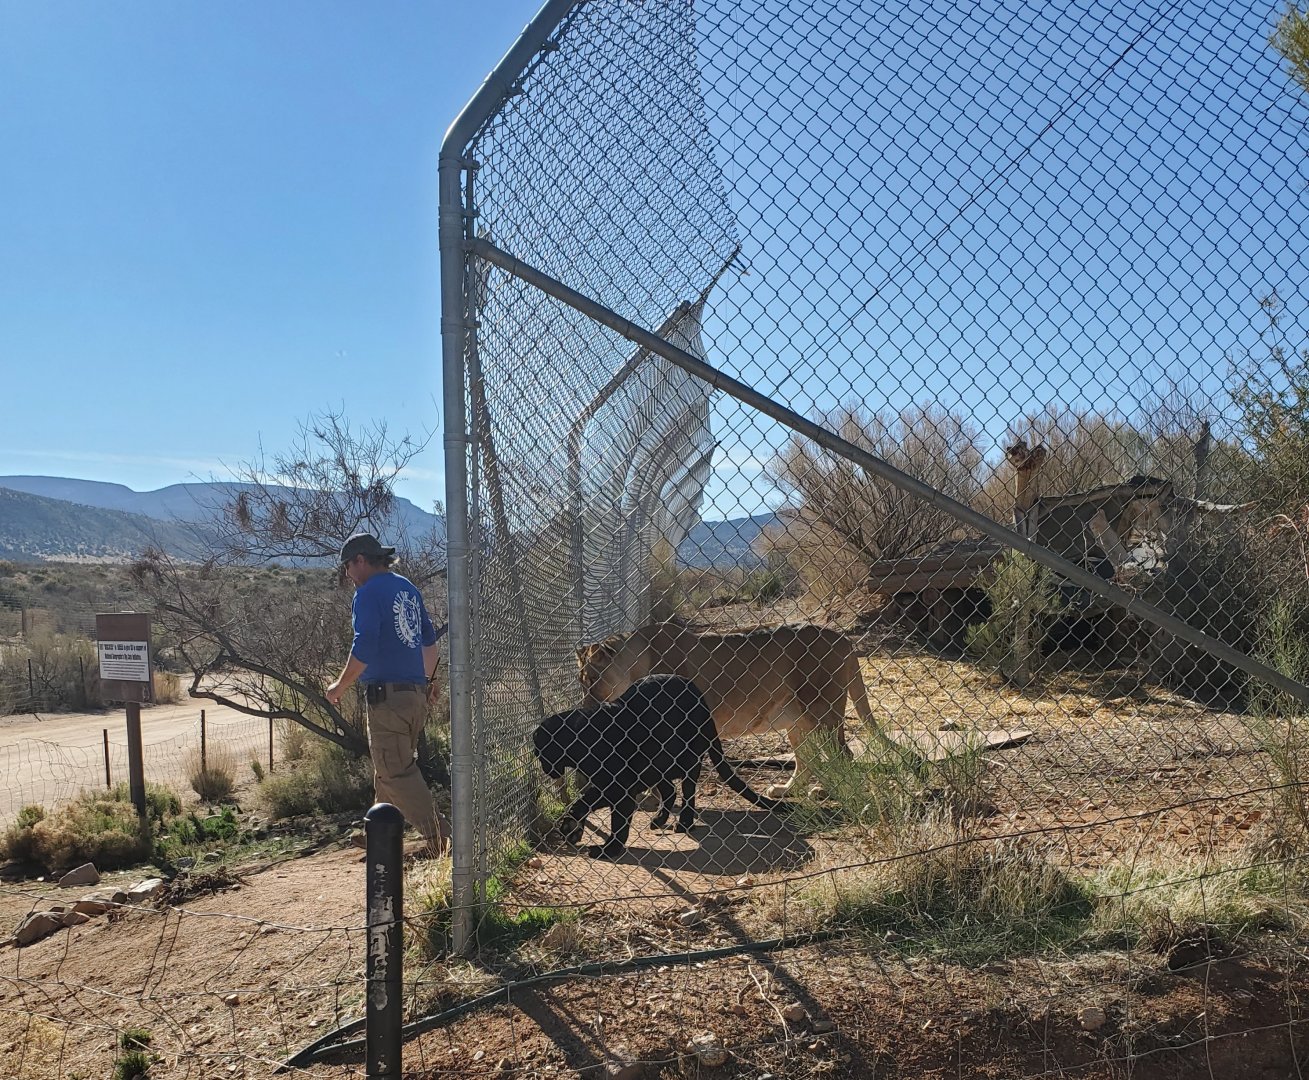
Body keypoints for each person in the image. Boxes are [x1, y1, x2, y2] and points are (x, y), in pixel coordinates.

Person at [325, 532, 449, 856]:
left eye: (348, 567)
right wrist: (429, 682)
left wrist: (340, 685)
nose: (348, 575)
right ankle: (377, 833)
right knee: (388, 766)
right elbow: (430, 644)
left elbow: (363, 646)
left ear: (361, 561)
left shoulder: (367, 594)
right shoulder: (407, 588)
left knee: (397, 771)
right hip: (413, 697)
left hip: (387, 699)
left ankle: (443, 839)